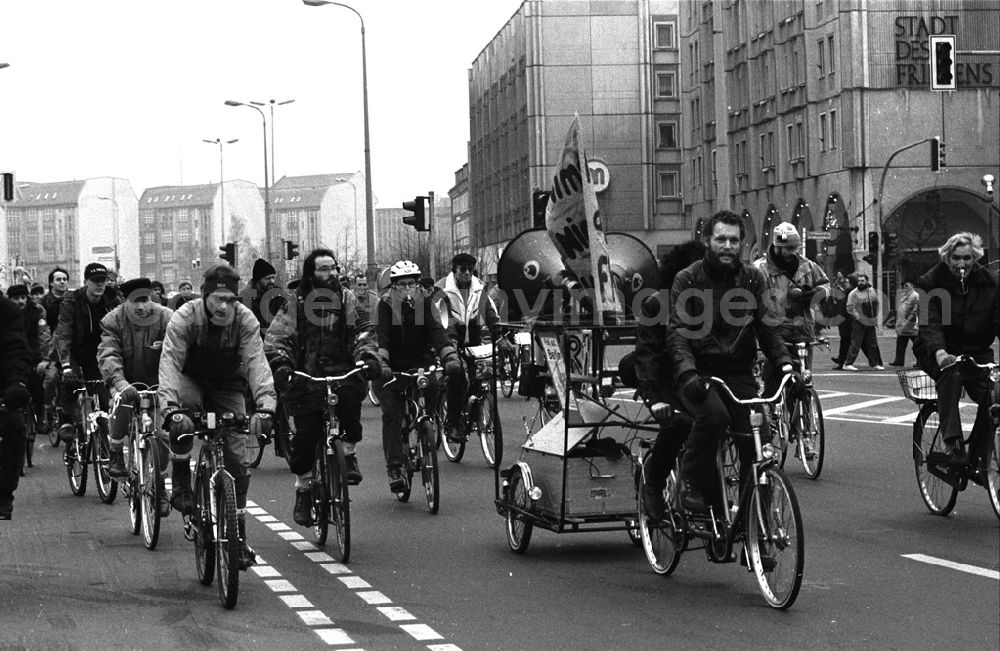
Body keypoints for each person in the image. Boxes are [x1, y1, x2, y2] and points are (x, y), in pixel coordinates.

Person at [666, 210, 795, 513]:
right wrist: (686, 374)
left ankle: (758, 517)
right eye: (720, 239)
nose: (727, 245)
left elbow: (768, 327)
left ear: (741, 243)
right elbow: (678, 334)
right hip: (700, 375)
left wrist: (787, 364)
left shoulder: (752, 277)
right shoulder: (687, 279)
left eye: (734, 240)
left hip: (738, 374)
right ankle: (690, 482)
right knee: (715, 417)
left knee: (759, 433)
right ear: (707, 241)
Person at [159, 264, 275, 569]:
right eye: (217, 299)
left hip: (227, 383)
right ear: (205, 295)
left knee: (237, 459)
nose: (224, 306)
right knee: (184, 417)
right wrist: (169, 409)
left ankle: (239, 538)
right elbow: (170, 361)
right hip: (191, 379)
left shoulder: (245, 320)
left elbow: (256, 362)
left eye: (230, 300)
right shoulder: (185, 317)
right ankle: (182, 474)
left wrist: (265, 406)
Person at [265, 249, 382, 525]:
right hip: (306, 379)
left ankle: (349, 455)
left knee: (351, 410)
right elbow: (279, 337)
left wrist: (367, 357)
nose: (332, 274)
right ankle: (304, 489)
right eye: (324, 269)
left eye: (334, 268)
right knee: (305, 437)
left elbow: (362, 331)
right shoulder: (295, 302)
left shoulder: (347, 299)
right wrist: (282, 364)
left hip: (343, 374)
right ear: (311, 274)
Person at [373, 261, 463, 492]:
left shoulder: (425, 304)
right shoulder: (384, 306)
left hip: (420, 363)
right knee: (392, 414)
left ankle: (426, 423)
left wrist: (449, 356)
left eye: (411, 284)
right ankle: (394, 466)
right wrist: (382, 363)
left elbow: (437, 333)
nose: (407, 289)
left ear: (417, 284)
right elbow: (382, 337)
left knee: (433, 385)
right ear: (393, 286)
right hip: (390, 366)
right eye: (401, 284)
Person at [631, 239, 705, 520]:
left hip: (697, 379)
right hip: (664, 382)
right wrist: (655, 398)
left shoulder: (717, 302)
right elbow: (647, 356)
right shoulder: (656, 305)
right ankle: (654, 482)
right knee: (680, 423)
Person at [915, 232, 999, 464]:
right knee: (950, 376)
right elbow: (928, 322)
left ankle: (983, 458)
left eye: (967, 258)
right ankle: (951, 442)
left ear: (976, 258)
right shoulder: (929, 283)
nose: (962, 264)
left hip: (976, 350)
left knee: (992, 395)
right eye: (956, 258)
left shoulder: (991, 283)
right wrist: (940, 352)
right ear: (946, 258)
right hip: (938, 349)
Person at [97, 277, 173, 487]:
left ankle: (160, 483)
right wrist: (120, 384)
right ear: (125, 300)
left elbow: (179, 350)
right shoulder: (113, 320)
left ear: (152, 298)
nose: (141, 306)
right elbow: (109, 355)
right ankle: (115, 453)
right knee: (122, 401)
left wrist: (165, 346)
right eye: (135, 301)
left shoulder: (167, 317)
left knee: (161, 436)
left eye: (145, 300)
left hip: (157, 385)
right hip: (123, 380)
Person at [435, 252, 507, 443]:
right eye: (463, 270)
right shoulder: (442, 289)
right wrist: (452, 345)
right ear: (454, 270)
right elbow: (445, 321)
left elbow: (490, 313)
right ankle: (453, 424)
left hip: (472, 337)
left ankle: (476, 409)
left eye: (470, 270)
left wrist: (501, 335)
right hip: (448, 339)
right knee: (457, 377)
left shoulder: (478, 287)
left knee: (484, 373)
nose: (467, 273)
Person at [753, 222, 830, 394]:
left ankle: (806, 416)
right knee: (774, 381)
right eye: (788, 248)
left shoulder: (807, 266)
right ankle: (774, 412)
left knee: (804, 382)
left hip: (803, 332)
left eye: (795, 248)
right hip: (774, 334)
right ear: (777, 246)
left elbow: (826, 285)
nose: (793, 252)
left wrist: (821, 292)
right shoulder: (759, 269)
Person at [53, 263, 122, 444]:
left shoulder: (112, 301)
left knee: (101, 392)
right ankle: (66, 420)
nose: (100, 285)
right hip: (73, 350)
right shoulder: (72, 300)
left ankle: (105, 441)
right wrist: (66, 365)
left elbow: (121, 330)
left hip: (97, 352)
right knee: (70, 381)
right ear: (85, 282)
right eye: (95, 281)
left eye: (103, 281)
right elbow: (64, 331)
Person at [0, 295, 32, 519]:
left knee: (14, 426)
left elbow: (16, 352)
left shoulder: (7, 310)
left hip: (2, 383)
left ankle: (3, 496)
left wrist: (17, 383)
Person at [6, 284, 51, 433]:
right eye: (16, 298)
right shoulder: (5, 311)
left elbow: (43, 335)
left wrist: (44, 359)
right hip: (11, 356)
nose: (20, 301)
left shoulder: (37, 311)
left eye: (23, 297)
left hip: (33, 356)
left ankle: (40, 416)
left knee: (37, 385)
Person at [841, 273, 884, 371]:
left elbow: (876, 303)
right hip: (859, 322)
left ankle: (874, 364)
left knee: (872, 343)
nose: (860, 283)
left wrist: (875, 317)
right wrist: (857, 317)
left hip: (869, 321)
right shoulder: (854, 293)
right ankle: (848, 363)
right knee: (856, 343)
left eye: (862, 281)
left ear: (867, 281)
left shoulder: (872, 291)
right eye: (859, 281)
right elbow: (849, 307)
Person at [248, 258, 282, 334]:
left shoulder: (278, 295)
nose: (272, 281)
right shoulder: (247, 297)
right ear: (258, 280)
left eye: (273, 277)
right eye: (268, 278)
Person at [890, 279, 919, 367]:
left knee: (917, 345)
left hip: (911, 325)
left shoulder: (915, 296)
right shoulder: (905, 296)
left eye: (907, 285)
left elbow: (915, 311)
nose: (905, 288)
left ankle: (921, 362)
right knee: (900, 344)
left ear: (913, 285)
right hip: (903, 324)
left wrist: (908, 321)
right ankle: (899, 360)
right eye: (904, 286)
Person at [828, 271, 854, 369]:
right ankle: (842, 360)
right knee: (847, 342)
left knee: (849, 342)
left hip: (848, 322)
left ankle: (843, 360)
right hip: (845, 321)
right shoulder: (847, 290)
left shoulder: (850, 291)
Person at [41, 266, 70, 333]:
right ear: (51, 283)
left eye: (65, 279)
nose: (62, 282)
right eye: (58, 279)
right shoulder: (43, 302)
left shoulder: (74, 301)